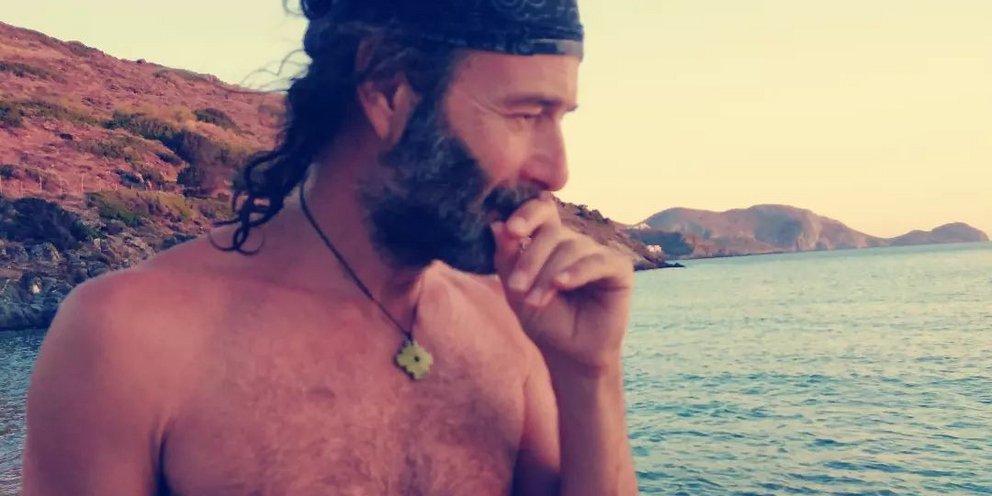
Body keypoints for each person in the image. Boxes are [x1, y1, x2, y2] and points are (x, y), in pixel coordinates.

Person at [22, 0, 638, 494]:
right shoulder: (129, 338)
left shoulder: (511, 326)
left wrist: (591, 373)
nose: (557, 170)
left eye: (560, 119)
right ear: (388, 89)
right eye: (526, 115)